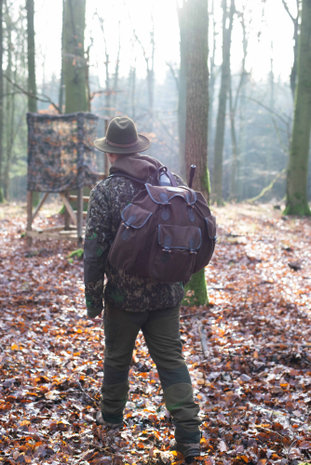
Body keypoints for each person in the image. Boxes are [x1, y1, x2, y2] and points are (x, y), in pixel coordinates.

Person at [83, 116, 201, 462]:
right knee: (172, 361)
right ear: (136, 148)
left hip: (123, 297)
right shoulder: (170, 182)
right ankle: (190, 435)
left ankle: (111, 422)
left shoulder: (106, 192)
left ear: (110, 155)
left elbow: (94, 252)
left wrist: (94, 300)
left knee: (118, 359)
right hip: (166, 294)